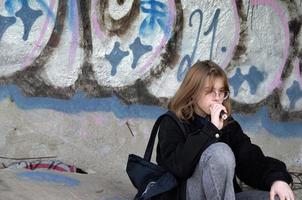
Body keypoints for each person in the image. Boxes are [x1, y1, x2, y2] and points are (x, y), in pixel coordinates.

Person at [155, 60, 294, 200]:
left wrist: (277, 179)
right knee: (220, 151)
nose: (217, 98)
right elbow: (179, 168)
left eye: (221, 92)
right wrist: (211, 130)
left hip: (224, 196)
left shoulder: (227, 125)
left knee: (276, 198)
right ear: (193, 93)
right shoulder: (172, 123)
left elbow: (249, 159)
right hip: (186, 195)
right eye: (210, 91)